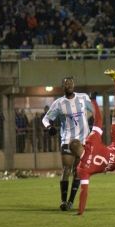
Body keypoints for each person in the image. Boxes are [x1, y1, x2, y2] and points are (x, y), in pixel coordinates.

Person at [70, 70, 115, 215]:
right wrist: (93, 100)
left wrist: (80, 212)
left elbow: (84, 191)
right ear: (80, 145)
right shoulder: (90, 141)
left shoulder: (82, 169)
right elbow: (98, 120)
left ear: (73, 154)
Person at [42, 76, 93, 211]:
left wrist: (96, 130)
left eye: (71, 83)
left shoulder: (83, 98)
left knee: (77, 171)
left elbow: (96, 113)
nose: (69, 85)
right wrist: (49, 127)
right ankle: (63, 201)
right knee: (66, 169)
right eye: (66, 83)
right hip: (67, 141)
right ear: (62, 87)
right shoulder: (58, 103)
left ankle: (70, 201)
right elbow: (45, 119)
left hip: (83, 141)